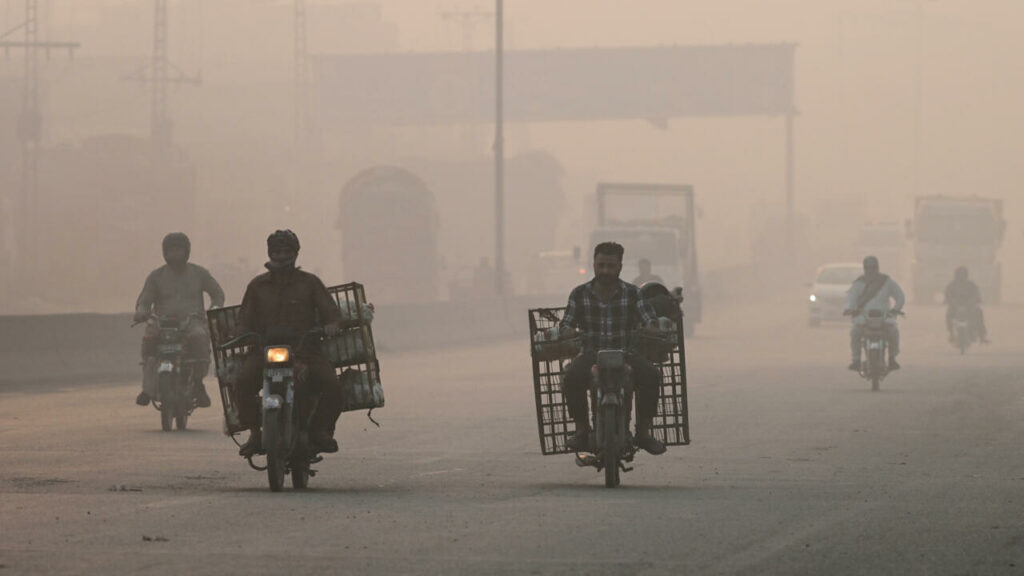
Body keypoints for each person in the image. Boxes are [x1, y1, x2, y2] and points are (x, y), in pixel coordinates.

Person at [234, 230, 343, 458]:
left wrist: (331, 324)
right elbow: (243, 319)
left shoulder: (310, 283)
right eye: (277, 252)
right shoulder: (257, 286)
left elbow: (331, 313)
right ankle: (255, 433)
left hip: (305, 351)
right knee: (242, 382)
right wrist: (243, 333)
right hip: (264, 351)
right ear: (270, 254)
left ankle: (319, 430)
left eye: (287, 252)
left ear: (295, 254)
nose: (282, 256)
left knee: (332, 385)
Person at [558, 242, 666, 455]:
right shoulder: (579, 294)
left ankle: (643, 433)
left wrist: (651, 328)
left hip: (626, 354)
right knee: (571, 377)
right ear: (594, 265)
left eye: (610, 266)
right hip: (591, 354)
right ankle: (581, 430)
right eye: (601, 265)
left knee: (652, 376)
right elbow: (566, 324)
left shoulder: (633, 293)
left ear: (620, 267)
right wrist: (567, 331)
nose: (605, 271)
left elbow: (649, 320)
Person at [134, 232, 224, 407]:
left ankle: (198, 384)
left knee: (199, 337)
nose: (175, 255)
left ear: (186, 252)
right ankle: (148, 388)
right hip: (162, 323)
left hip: (192, 322)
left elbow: (217, 293)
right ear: (165, 253)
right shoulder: (156, 276)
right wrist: (141, 311)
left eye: (178, 251)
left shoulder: (199, 273)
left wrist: (215, 307)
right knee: (149, 341)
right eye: (171, 251)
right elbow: (144, 300)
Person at [845, 256, 905, 371]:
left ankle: (892, 359)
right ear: (864, 269)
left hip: (884, 316)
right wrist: (851, 309)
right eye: (868, 268)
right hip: (864, 316)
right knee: (855, 332)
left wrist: (895, 309)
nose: (871, 270)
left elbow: (900, 297)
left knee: (894, 331)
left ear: (877, 268)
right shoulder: (858, 283)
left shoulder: (886, 282)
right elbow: (851, 298)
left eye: (873, 267)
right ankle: (856, 360)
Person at [944, 266, 988, 344]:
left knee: (978, 313)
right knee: (949, 316)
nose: (961, 277)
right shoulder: (952, 286)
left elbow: (976, 295)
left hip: (969, 307)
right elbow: (947, 296)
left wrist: (977, 300)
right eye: (960, 275)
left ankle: (981, 336)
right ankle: (951, 333)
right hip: (956, 307)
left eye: (963, 275)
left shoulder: (971, 285)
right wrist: (948, 301)